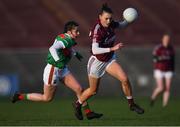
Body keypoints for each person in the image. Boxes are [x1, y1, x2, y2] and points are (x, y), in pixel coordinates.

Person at [11, 21, 103, 120]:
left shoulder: (67, 38)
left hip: (62, 69)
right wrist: (58, 60)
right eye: (76, 31)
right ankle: (19, 96)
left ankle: (88, 112)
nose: (78, 33)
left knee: (79, 89)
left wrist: (75, 53)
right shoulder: (65, 40)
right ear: (69, 31)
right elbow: (52, 48)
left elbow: (66, 48)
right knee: (47, 98)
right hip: (53, 70)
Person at [72, 4, 144, 120]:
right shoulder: (97, 29)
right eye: (106, 18)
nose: (109, 20)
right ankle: (78, 104)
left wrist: (130, 19)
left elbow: (121, 25)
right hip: (97, 62)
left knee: (124, 79)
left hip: (109, 59)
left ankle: (131, 104)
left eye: (110, 18)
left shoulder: (111, 24)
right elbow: (95, 50)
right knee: (93, 91)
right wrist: (112, 48)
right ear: (100, 17)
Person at [150, 33, 175, 107]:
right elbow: (154, 58)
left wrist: (173, 70)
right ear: (163, 39)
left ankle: (165, 105)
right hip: (159, 69)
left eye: (168, 39)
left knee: (167, 88)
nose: (167, 40)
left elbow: (173, 60)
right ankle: (153, 98)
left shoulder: (171, 48)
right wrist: (161, 58)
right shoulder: (159, 48)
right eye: (165, 39)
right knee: (161, 88)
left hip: (169, 70)